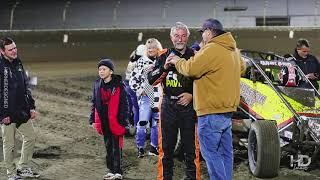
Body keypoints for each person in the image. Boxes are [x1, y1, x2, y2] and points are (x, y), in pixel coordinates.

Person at [166, 18, 244, 180]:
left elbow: (191, 69)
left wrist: (177, 60)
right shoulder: (234, 51)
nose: (202, 37)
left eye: (203, 33)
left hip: (210, 111)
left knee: (210, 154)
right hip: (227, 111)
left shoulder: (211, 49)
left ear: (209, 32)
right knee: (225, 154)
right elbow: (243, 66)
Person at [147, 22, 201, 180]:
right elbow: (151, 80)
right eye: (177, 36)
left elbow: (204, 83)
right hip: (168, 106)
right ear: (171, 37)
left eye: (183, 36)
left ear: (188, 37)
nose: (180, 39)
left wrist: (192, 95)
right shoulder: (163, 54)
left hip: (189, 107)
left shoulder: (195, 56)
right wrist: (164, 67)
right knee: (166, 148)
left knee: (191, 149)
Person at [0, 37, 39, 180]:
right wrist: (2, 114)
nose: (14, 51)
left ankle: (23, 167)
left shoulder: (18, 62)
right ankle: (11, 173)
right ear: (2, 51)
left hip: (21, 110)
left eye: (15, 48)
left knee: (31, 136)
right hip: (7, 113)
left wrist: (31, 106)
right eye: (10, 49)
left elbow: (25, 86)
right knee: (9, 144)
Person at [89, 59, 129, 180]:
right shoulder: (97, 84)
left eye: (104, 69)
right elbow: (94, 103)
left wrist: (124, 121)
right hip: (103, 120)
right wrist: (92, 119)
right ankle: (111, 170)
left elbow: (125, 104)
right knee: (108, 145)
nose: (101, 72)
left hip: (116, 120)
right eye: (100, 69)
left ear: (111, 71)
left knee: (116, 146)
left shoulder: (119, 85)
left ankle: (118, 172)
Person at [129, 38, 163, 158]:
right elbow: (133, 80)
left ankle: (154, 148)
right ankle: (140, 147)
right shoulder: (141, 62)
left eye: (153, 47)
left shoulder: (162, 61)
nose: (151, 50)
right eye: (149, 48)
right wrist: (140, 90)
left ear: (158, 48)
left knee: (156, 123)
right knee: (142, 122)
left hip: (159, 98)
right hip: (146, 97)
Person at [124, 44, 146, 127]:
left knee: (129, 108)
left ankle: (128, 126)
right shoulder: (140, 62)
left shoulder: (132, 60)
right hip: (133, 87)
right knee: (137, 109)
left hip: (126, 86)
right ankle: (138, 127)